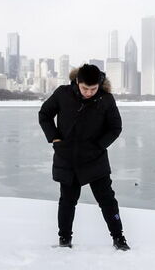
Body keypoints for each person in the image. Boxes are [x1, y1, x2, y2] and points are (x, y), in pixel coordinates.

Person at [38, 64, 129, 250]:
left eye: (93, 89)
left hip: (95, 158)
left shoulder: (106, 99)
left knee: (107, 201)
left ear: (100, 84)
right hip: (67, 157)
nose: (89, 93)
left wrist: (98, 145)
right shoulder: (63, 94)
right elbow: (44, 114)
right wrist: (54, 138)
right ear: (77, 82)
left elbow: (115, 127)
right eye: (85, 88)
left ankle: (119, 239)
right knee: (67, 201)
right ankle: (64, 240)